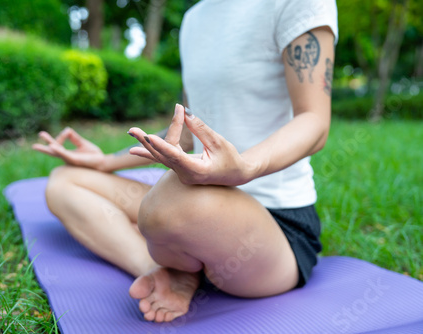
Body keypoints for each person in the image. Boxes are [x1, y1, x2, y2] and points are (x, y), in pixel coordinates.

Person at [33, 0, 338, 323]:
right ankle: (163, 272)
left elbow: (314, 121)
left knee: (170, 200)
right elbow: (191, 129)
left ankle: (179, 252)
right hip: (202, 202)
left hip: (275, 227)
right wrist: (105, 162)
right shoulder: (193, 19)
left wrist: (244, 168)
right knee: (65, 182)